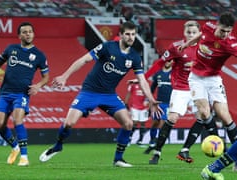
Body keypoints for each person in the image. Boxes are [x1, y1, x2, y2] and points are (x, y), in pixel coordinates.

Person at [38, 21, 162, 168]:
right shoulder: (108, 47)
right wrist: (65, 76)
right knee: (69, 123)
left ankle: (118, 159)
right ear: (121, 35)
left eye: (133, 34)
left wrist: (151, 99)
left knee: (128, 123)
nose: (131, 37)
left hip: (109, 95)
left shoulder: (135, 57)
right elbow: (84, 60)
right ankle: (58, 146)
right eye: (127, 34)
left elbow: (142, 80)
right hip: (89, 92)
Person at [180, 12, 237, 171]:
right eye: (223, 30)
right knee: (204, 113)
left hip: (213, 80)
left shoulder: (230, 43)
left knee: (224, 116)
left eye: (229, 31)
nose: (225, 34)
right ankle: (221, 145)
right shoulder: (208, 27)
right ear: (217, 25)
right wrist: (188, 43)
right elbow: (200, 36)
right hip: (196, 78)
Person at [145, 20, 219, 164]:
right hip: (181, 88)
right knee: (172, 118)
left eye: (194, 32)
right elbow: (160, 62)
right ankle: (157, 152)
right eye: (188, 32)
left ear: (199, 33)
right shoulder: (176, 47)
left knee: (204, 115)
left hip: (198, 88)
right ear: (184, 33)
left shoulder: (204, 48)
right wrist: (144, 77)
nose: (191, 35)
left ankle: (185, 150)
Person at [0, 22, 50, 166]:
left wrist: (38, 86)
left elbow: (46, 76)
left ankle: (24, 157)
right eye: (24, 32)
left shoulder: (39, 55)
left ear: (33, 34)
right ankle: (15, 148)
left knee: (17, 120)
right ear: (19, 35)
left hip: (21, 94)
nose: (28, 34)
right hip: (5, 93)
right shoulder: (11, 49)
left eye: (30, 31)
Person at [144, 60, 173, 154]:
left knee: (162, 123)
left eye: (170, 61)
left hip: (168, 103)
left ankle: (158, 145)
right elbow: (152, 88)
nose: (168, 62)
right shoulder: (158, 74)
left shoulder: (174, 74)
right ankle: (152, 142)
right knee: (155, 123)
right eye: (167, 60)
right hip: (158, 103)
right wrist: (148, 100)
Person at [124, 80, 149, 146]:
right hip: (135, 107)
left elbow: (148, 95)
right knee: (134, 122)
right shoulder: (133, 85)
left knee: (143, 124)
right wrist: (126, 103)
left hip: (144, 108)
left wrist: (147, 102)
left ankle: (140, 141)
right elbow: (128, 94)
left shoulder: (146, 85)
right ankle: (129, 139)